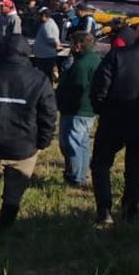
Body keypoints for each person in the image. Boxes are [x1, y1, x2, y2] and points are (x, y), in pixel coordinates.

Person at [0, 34, 57, 233]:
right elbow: (48, 115)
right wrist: (42, 143)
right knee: (15, 193)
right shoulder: (39, 80)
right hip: (25, 146)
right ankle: (5, 231)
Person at [88, 22, 139, 226]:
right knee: (136, 167)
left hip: (114, 117)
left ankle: (104, 210)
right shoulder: (119, 55)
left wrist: (101, 110)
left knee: (101, 164)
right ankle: (130, 209)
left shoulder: (119, 55)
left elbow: (99, 89)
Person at [55, 31, 100, 188]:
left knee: (71, 144)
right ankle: (81, 173)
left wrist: (62, 101)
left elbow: (76, 88)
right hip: (87, 111)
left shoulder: (82, 65)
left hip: (76, 110)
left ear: (78, 46)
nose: (71, 47)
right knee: (83, 143)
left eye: (72, 43)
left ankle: (76, 177)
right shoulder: (93, 59)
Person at [32, 10, 64, 82]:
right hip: (44, 54)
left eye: (39, 16)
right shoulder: (47, 24)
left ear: (44, 16)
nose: (38, 17)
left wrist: (56, 46)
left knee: (45, 75)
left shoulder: (47, 25)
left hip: (45, 56)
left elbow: (50, 39)